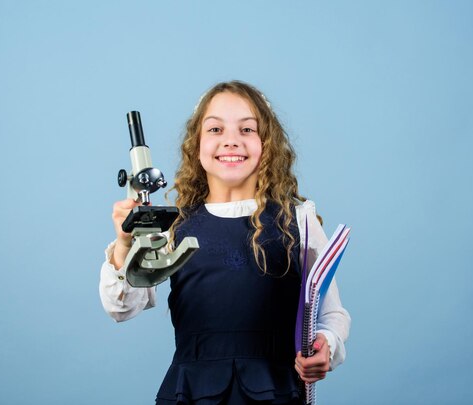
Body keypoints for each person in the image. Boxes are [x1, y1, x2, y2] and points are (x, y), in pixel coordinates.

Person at [99, 81, 351, 404]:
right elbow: (121, 307)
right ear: (197, 144)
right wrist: (123, 243)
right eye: (215, 129)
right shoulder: (172, 227)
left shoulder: (299, 221)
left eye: (247, 130)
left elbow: (332, 314)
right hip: (190, 393)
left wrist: (326, 344)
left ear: (267, 144)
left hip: (276, 391)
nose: (231, 141)